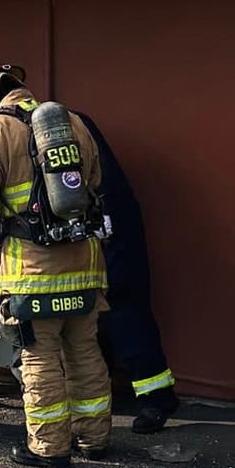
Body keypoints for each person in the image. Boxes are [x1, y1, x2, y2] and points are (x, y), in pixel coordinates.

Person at [0, 64, 111, 468]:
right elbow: (92, 185)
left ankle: (49, 447)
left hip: (31, 272)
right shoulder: (73, 122)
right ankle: (94, 439)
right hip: (86, 263)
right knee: (85, 351)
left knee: (39, 356)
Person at [76, 112, 180, 433]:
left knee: (125, 315)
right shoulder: (80, 133)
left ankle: (156, 398)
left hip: (110, 240)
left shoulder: (67, 140)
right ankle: (140, 394)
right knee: (104, 318)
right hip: (106, 237)